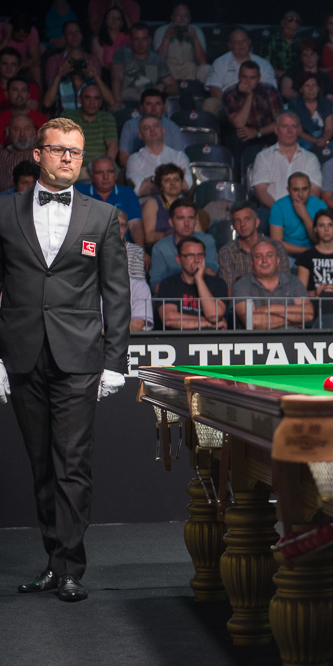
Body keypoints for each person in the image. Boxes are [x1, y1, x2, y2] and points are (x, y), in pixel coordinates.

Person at [0, 117, 129, 603]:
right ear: (38, 155)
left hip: (79, 357)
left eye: (75, 152)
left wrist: (115, 361)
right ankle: (54, 562)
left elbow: (117, 294)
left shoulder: (103, 216)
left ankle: (71, 567)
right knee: (41, 465)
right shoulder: (4, 211)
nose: (69, 159)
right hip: (22, 354)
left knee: (72, 463)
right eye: (59, 150)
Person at [250, 112, 323, 212]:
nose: (289, 131)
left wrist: (300, 212)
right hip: (272, 211)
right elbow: (260, 191)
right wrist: (279, 211)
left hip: (303, 212)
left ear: (298, 130)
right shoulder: (263, 157)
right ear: (276, 129)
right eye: (285, 126)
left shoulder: (311, 158)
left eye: (293, 126)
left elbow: (315, 190)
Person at [233, 241, 314, 329]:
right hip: (260, 338)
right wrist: (293, 320)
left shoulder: (293, 281)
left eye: (269, 255)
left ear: (277, 260)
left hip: (293, 337)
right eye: (258, 256)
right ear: (252, 262)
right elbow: (252, 322)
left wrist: (268, 308)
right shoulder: (242, 285)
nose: (264, 260)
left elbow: (308, 313)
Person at [156, 236, 228, 329]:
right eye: (190, 255)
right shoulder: (168, 284)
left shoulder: (217, 283)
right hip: (179, 337)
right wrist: (208, 323)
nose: (197, 260)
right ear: (178, 259)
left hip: (209, 337)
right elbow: (169, 319)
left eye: (200, 255)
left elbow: (214, 316)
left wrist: (199, 279)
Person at [217, 202, 290, 294]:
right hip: (242, 301)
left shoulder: (276, 247)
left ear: (257, 222)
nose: (242, 224)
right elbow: (228, 290)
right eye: (237, 220)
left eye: (247, 219)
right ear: (233, 225)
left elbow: (285, 284)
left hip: (274, 300)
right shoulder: (227, 252)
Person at [149, 198, 218, 292]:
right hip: (174, 297)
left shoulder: (207, 241)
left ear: (196, 220)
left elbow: (211, 273)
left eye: (190, 218)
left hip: (202, 295)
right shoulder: (160, 248)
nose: (186, 224)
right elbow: (156, 286)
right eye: (181, 218)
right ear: (171, 222)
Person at [42, 21, 112, 113]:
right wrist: (59, 75)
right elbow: (48, 101)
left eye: (77, 32)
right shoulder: (54, 61)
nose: (74, 36)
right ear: (64, 37)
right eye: (70, 33)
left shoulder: (92, 60)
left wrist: (95, 77)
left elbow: (108, 99)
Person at [223, 61, 283, 158]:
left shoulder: (269, 91)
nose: (248, 82)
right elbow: (238, 124)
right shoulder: (230, 94)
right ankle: (238, 168)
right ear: (239, 77)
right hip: (244, 134)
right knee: (237, 136)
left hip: (266, 132)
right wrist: (249, 95)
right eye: (244, 77)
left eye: (252, 78)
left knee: (282, 133)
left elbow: (280, 121)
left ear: (259, 79)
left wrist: (257, 132)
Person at [74, 155, 142, 238]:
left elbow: (134, 224)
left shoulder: (127, 193)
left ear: (116, 174)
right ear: (90, 176)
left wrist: (139, 246)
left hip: (121, 243)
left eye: (110, 172)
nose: (105, 177)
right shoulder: (78, 192)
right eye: (99, 172)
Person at [111, 22, 177, 107]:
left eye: (144, 39)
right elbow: (116, 78)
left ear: (150, 40)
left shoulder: (157, 60)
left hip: (150, 105)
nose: (140, 43)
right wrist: (118, 101)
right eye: (136, 39)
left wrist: (163, 87)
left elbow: (174, 88)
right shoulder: (122, 54)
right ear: (130, 40)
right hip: (126, 102)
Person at [124, 115, 191, 196]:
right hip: (148, 202)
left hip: (176, 202)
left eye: (156, 126)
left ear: (163, 131)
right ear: (141, 135)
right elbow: (137, 189)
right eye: (146, 128)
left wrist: (152, 182)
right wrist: (174, 182)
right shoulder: (134, 159)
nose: (152, 130)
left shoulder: (179, 156)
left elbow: (187, 185)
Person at [205, 29, 276, 102]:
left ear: (249, 42)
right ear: (230, 45)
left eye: (244, 41)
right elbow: (215, 89)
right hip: (227, 103)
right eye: (236, 42)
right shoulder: (220, 62)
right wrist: (230, 105)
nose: (241, 45)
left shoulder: (264, 65)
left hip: (256, 104)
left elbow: (269, 90)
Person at [118, 89, 183, 166]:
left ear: (164, 107)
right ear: (141, 108)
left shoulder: (173, 128)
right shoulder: (130, 126)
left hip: (166, 170)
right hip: (139, 169)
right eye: (149, 104)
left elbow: (180, 159)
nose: (154, 108)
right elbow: (123, 159)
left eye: (157, 104)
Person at [56, 84, 115, 170]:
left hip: (100, 169)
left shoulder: (107, 118)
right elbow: (61, 145)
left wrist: (104, 168)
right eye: (87, 97)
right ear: (80, 100)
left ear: (100, 102)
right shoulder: (68, 116)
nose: (92, 102)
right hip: (73, 168)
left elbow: (113, 145)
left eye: (96, 98)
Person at [269, 172, 326, 260]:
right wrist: (309, 250)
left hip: (315, 254)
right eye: (296, 190)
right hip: (288, 254)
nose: (300, 194)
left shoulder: (320, 205)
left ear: (310, 188)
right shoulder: (278, 207)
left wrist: (304, 215)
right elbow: (277, 244)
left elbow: (321, 239)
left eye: (305, 189)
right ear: (288, 190)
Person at [152, 4, 209, 85]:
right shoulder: (161, 31)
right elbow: (159, 61)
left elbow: (202, 62)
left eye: (186, 16)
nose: (182, 19)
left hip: (190, 71)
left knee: (206, 69)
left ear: (189, 19)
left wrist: (195, 39)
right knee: (151, 69)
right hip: (169, 71)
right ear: (172, 17)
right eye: (178, 15)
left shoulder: (197, 31)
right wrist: (166, 38)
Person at [139, 163, 186, 247]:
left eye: (176, 179)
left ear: (182, 183)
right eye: (167, 180)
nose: (173, 183)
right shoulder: (152, 203)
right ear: (160, 185)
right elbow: (148, 236)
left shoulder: (187, 205)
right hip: (160, 247)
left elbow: (199, 233)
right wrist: (169, 235)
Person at [287, 73, 333, 148]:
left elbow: (329, 129)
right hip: (304, 140)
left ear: (318, 88)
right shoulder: (294, 104)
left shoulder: (325, 102)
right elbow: (299, 131)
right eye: (307, 85)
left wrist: (324, 140)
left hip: (324, 140)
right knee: (307, 145)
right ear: (301, 89)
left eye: (314, 85)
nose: (311, 89)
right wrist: (315, 141)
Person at [0, 77, 48, 147]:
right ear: (7, 94)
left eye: (23, 90)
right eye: (15, 90)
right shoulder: (1, 119)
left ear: (28, 95)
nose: (20, 95)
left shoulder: (42, 119)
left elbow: (46, 148)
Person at [0, 15, 43, 86]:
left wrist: (15, 66)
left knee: (36, 70)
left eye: (26, 36)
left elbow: (36, 60)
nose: (23, 39)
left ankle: (38, 93)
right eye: (21, 36)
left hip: (22, 65)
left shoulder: (32, 31)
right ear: (11, 29)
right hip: (3, 66)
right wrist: (5, 39)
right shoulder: (1, 28)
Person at [260, 10, 302, 80]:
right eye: (288, 28)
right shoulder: (270, 41)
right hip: (275, 77)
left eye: (295, 30)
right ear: (282, 23)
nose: (291, 32)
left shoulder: (301, 42)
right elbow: (265, 64)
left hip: (297, 78)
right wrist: (283, 75)